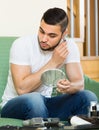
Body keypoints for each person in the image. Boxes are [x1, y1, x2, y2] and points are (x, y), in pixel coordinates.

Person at [0, 7, 98, 121]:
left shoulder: (69, 46)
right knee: (35, 99)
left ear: (64, 33)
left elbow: (79, 84)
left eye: (52, 36)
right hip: (13, 105)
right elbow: (22, 89)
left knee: (89, 97)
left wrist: (69, 87)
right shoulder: (21, 45)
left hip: (45, 104)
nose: (44, 39)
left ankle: (74, 124)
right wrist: (53, 63)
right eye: (42, 31)